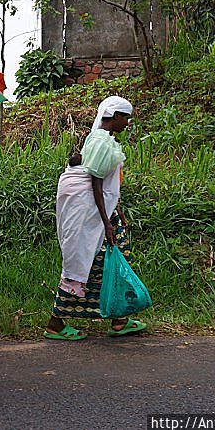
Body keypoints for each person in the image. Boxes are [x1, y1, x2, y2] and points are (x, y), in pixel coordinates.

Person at [44, 96, 148, 341]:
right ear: (115, 116)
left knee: (110, 265)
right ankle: (55, 323)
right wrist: (107, 222)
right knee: (89, 267)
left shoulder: (103, 139)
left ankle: (119, 320)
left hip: (102, 215)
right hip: (95, 219)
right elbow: (96, 184)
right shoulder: (101, 141)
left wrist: (116, 210)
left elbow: (107, 185)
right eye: (126, 117)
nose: (127, 123)